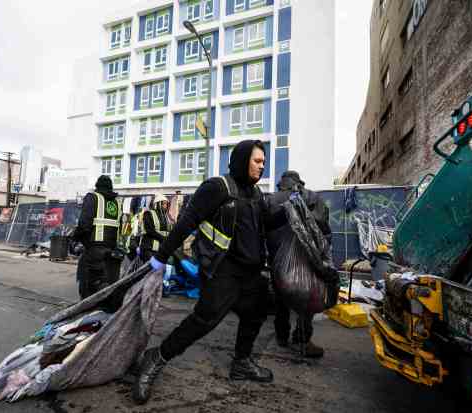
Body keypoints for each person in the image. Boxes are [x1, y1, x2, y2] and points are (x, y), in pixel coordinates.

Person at [132, 140, 285, 405]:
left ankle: (242, 362)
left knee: (257, 313)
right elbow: (186, 222)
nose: (262, 165)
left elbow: (265, 224)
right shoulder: (218, 188)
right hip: (223, 270)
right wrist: (161, 257)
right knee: (203, 321)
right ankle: (156, 357)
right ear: (242, 159)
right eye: (257, 161)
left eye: (263, 161)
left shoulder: (256, 194)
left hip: (251, 272)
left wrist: (289, 213)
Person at [266, 170, 332, 358]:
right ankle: (302, 340)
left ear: (281, 184)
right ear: (299, 183)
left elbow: (264, 228)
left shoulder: (271, 199)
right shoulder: (311, 197)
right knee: (306, 300)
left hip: (278, 262)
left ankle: (281, 336)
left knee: (281, 300)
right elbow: (324, 228)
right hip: (306, 261)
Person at [73, 175, 123, 299]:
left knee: (88, 284)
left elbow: (84, 224)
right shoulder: (117, 202)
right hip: (112, 250)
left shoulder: (92, 198)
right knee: (109, 284)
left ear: (97, 186)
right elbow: (119, 225)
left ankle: (87, 310)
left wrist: (76, 238)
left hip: (94, 249)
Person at [139, 194, 173, 262]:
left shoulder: (167, 217)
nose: (165, 206)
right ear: (157, 204)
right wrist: (163, 238)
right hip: (149, 248)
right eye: (163, 204)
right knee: (150, 270)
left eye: (166, 204)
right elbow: (150, 230)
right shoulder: (148, 213)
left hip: (161, 249)